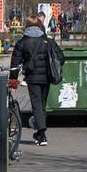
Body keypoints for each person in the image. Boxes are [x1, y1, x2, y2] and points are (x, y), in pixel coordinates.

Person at [9, 15, 64, 147]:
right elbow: (61, 57)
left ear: (27, 25)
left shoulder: (22, 42)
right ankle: (40, 134)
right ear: (39, 25)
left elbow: (15, 63)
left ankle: (42, 133)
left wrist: (13, 80)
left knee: (36, 105)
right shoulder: (48, 41)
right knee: (42, 105)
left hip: (32, 77)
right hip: (46, 77)